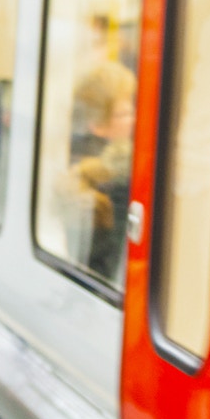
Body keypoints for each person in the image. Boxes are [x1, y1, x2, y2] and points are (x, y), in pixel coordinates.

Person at [62, 62, 136, 282]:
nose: (134, 119)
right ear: (97, 124)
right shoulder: (114, 177)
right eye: (124, 114)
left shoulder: (78, 153)